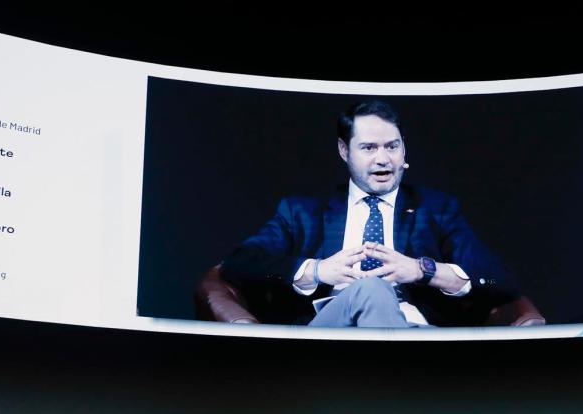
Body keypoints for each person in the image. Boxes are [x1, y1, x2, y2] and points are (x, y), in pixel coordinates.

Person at [219, 100, 520, 327]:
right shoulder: (302, 212)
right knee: (371, 288)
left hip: (416, 333)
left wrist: (423, 270)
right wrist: (315, 271)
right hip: (330, 334)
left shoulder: (436, 210)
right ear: (344, 151)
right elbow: (239, 264)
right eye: (369, 148)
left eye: (392, 146)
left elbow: (499, 280)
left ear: (404, 150)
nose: (383, 159)